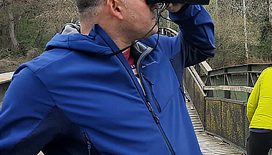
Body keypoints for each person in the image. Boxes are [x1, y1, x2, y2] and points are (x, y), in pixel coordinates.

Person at [0, 0, 215, 154]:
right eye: (148, 1)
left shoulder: (160, 51)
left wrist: (185, 7)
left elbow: (202, 45)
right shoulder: (44, 79)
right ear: (116, 6)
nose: (157, 5)